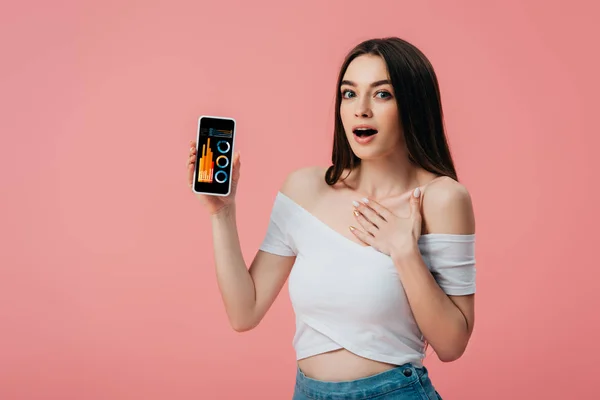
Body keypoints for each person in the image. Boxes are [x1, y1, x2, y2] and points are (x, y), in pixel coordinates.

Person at [186, 37, 476, 400]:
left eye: (382, 94)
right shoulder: (304, 188)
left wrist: (405, 253)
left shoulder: (442, 198)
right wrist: (222, 212)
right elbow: (244, 312)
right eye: (349, 94)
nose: (361, 109)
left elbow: (452, 345)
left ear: (413, 105)